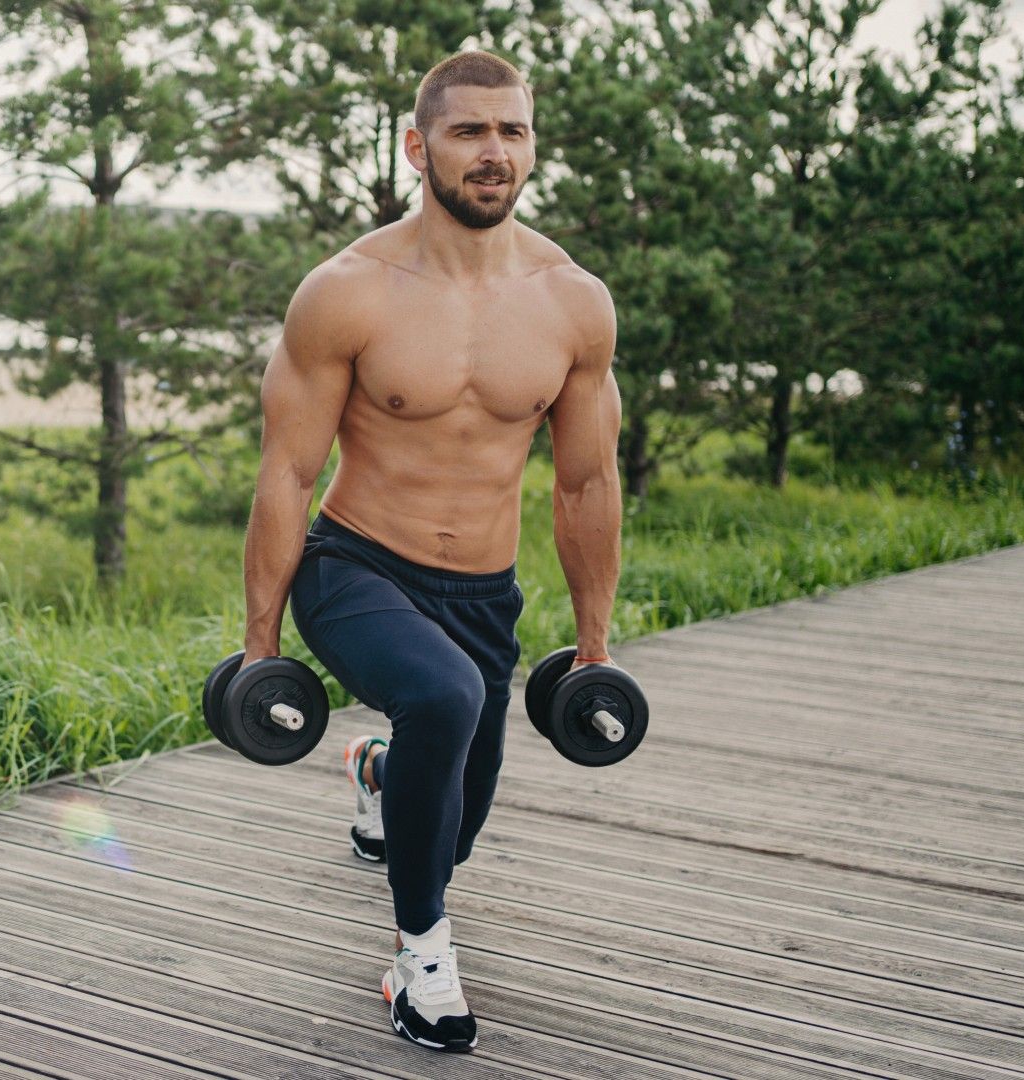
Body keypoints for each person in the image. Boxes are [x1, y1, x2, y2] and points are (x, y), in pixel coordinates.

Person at [238, 49, 623, 1053]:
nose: (493, 153)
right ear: (419, 147)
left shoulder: (572, 303)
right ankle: (420, 967)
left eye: (512, 131)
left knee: (456, 824)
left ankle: (379, 775)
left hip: (482, 597)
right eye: (469, 132)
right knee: (444, 700)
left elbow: (584, 483)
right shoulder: (347, 292)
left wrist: (594, 645)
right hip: (358, 566)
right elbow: (286, 473)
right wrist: (257, 645)